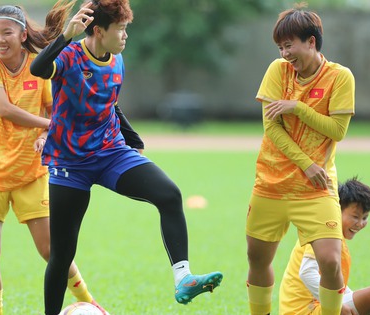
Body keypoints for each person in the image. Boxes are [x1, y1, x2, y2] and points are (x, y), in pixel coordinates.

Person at [30, 1, 223, 314]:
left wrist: (132, 138)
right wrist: (65, 35)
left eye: (126, 28)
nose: (125, 36)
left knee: (169, 194)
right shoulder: (70, 55)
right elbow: (38, 69)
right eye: (120, 29)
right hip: (70, 164)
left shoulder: (117, 60)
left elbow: (110, 105)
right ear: (98, 30)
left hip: (111, 153)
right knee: (62, 254)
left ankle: (183, 278)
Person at [0, 2, 110, 314]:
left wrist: (46, 135)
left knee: (51, 250)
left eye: (7, 33)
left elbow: (52, 109)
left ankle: (90, 303)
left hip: (31, 172)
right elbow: (4, 109)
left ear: (22, 36)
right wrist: (51, 126)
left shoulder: (39, 65)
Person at [245, 4, 356, 315]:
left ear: (311, 41)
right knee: (257, 259)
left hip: (316, 187)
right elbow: (272, 128)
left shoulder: (340, 77)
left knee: (331, 261)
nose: (285, 53)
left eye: (289, 44)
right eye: (280, 46)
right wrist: (306, 163)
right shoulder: (277, 71)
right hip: (271, 183)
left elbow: (337, 130)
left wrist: (297, 107)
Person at [279, 177, 370, 315]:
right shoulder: (323, 233)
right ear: (336, 211)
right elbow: (307, 272)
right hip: (305, 310)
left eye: (365, 218)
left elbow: (337, 287)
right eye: (355, 217)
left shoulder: (337, 238)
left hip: (316, 306)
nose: (360, 223)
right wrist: (335, 303)